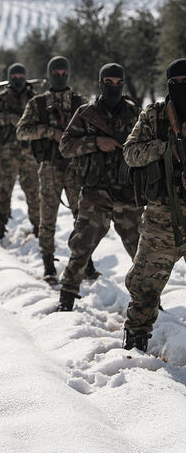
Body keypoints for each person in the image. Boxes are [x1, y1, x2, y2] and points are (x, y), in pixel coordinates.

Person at [56, 63, 142, 311]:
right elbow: (66, 146)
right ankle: (67, 298)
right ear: (100, 83)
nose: (114, 87)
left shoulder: (134, 113)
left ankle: (147, 302)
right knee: (81, 247)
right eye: (108, 82)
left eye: (118, 83)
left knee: (141, 254)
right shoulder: (86, 113)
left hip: (128, 194)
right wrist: (96, 142)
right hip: (95, 194)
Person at [122, 58, 186, 351]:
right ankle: (136, 342)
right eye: (175, 83)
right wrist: (164, 149)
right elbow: (130, 153)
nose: (181, 88)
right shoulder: (155, 115)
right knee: (145, 284)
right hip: (162, 216)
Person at [17, 56, 98, 284]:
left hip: (75, 168)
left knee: (82, 217)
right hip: (49, 167)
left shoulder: (79, 102)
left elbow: (93, 131)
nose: (60, 77)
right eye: (56, 73)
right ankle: (48, 264)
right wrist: (50, 132)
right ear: (49, 74)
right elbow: (22, 131)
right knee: (48, 217)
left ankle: (86, 262)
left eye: (64, 73)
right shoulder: (38, 104)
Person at [0, 63, 40, 239]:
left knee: (34, 193)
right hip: (6, 154)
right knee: (3, 193)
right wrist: (7, 118)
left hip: (29, 154)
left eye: (21, 77)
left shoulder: (34, 99)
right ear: (9, 78)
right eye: (14, 77)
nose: (18, 80)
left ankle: (38, 227)